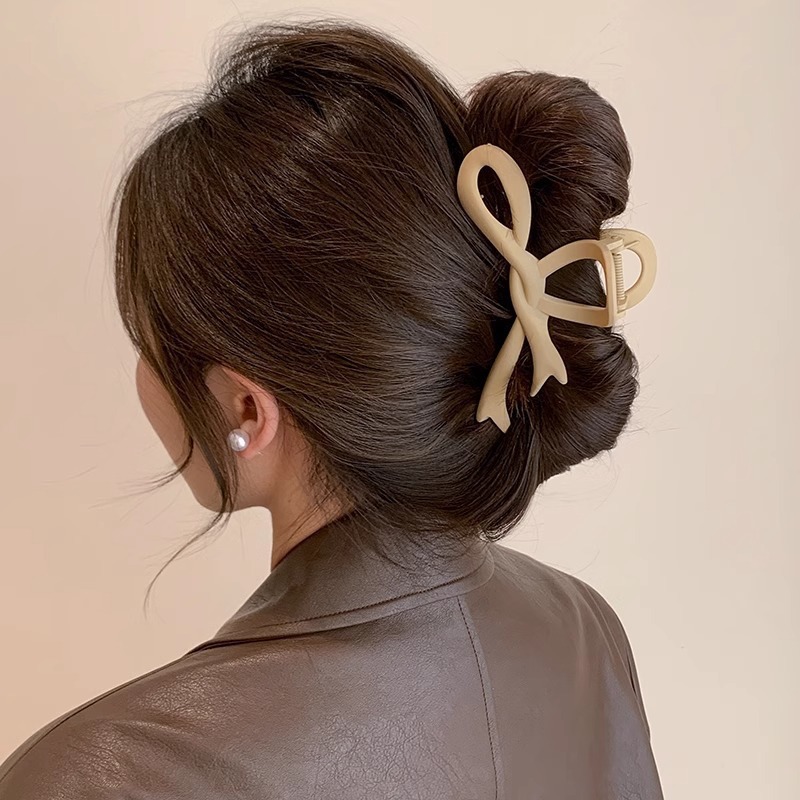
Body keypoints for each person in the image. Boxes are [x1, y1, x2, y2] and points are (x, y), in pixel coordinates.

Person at [0, 17, 664, 799]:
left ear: (246, 410)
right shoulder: (584, 633)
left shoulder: (99, 777)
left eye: (147, 342)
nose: (143, 376)